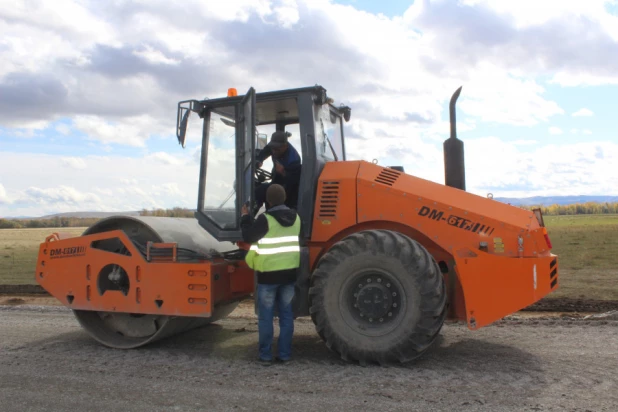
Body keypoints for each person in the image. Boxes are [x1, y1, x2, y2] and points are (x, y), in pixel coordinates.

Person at [241, 184, 301, 365]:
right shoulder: (297, 218)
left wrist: (245, 217)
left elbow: (248, 237)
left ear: (268, 201)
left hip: (268, 277)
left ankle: (265, 355)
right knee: (286, 316)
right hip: (289, 275)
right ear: (285, 199)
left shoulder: (265, 219)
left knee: (266, 317)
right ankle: (284, 355)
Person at [254, 130, 302, 212]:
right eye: (273, 149)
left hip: (288, 188)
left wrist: (284, 173)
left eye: (277, 149)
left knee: (262, 191)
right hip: (277, 179)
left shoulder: (293, 160)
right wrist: (259, 160)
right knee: (257, 188)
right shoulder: (274, 147)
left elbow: (295, 182)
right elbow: (264, 152)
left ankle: (249, 219)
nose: (274, 151)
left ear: (285, 146)